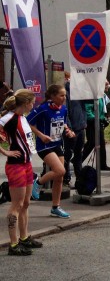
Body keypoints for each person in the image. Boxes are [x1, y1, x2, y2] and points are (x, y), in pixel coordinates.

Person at [0, 90, 43, 255]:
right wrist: (6, 152)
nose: (33, 105)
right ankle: (13, 244)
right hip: (15, 165)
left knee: (26, 203)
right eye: (32, 103)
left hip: (27, 164)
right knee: (16, 205)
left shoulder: (22, 118)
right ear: (25, 103)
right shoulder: (8, 118)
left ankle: (24, 238)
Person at [28, 84, 75, 218]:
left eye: (65, 95)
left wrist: (68, 131)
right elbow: (28, 122)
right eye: (61, 95)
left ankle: (56, 207)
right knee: (61, 171)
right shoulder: (42, 109)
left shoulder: (64, 109)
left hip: (56, 144)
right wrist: (41, 135)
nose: (64, 98)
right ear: (52, 96)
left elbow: (63, 123)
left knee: (59, 178)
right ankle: (37, 182)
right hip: (44, 146)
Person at [82, 80, 110, 171]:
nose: (108, 86)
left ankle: (102, 164)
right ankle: (77, 160)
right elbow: (88, 110)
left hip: (98, 121)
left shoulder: (101, 96)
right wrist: (97, 119)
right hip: (92, 123)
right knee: (92, 142)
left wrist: (103, 119)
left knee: (101, 143)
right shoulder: (92, 96)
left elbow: (100, 110)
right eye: (106, 84)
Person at [63, 72, 86, 186]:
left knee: (79, 155)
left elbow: (86, 105)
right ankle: (65, 178)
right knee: (67, 154)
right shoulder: (66, 92)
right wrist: (69, 128)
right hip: (72, 129)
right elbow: (65, 112)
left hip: (81, 127)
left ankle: (79, 179)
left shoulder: (79, 92)